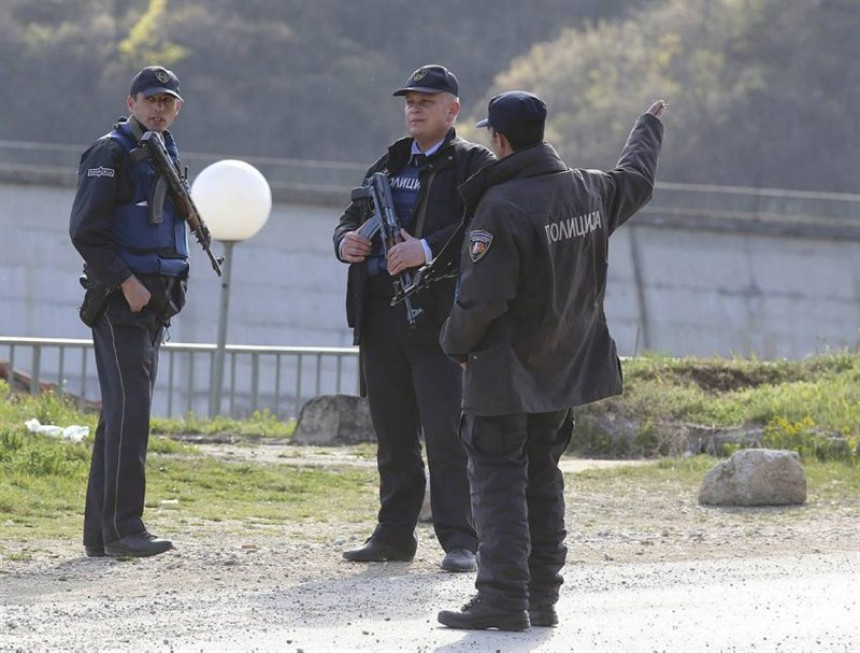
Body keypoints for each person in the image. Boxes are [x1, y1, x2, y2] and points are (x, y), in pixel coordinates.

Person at [437, 92, 666, 629]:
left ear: (499, 140)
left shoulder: (503, 206)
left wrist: (454, 344)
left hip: (503, 373)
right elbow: (637, 178)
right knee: (542, 476)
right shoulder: (589, 190)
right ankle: (541, 598)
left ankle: (500, 598)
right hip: (562, 369)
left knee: (497, 481)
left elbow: (483, 301)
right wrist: (647, 128)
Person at [333, 65, 495, 572]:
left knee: (446, 432)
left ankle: (460, 540)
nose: (414, 108)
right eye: (410, 101)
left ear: (453, 110)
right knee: (394, 432)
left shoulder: (472, 162)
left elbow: (482, 228)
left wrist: (425, 249)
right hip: (381, 316)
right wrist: (345, 243)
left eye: (427, 101)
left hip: (439, 320)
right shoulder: (391, 158)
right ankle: (393, 535)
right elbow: (350, 216)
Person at [70, 65, 191, 558]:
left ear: (176, 108)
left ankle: (102, 533)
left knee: (122, 414)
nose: (158, 108)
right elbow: (85, 231)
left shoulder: (163, 150)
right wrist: (126, 281)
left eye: (167, 101)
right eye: (150, 100)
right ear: (131, 103)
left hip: (153, 301)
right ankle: (125, 529)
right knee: (131, 413)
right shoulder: (111, 151)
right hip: (122, 301)